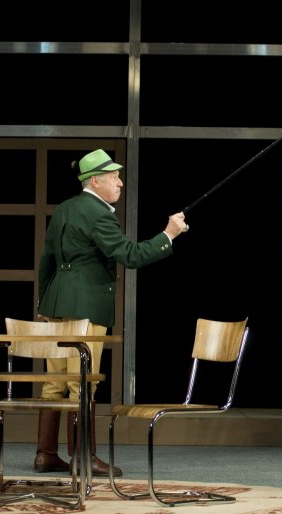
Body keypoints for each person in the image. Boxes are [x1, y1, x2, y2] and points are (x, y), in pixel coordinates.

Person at [34, 148, 189, 477]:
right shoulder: (98, 214)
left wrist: (44, 304)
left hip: (57, 305)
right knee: (82, 384)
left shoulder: (65, 208)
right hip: (85, 309)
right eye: (114, 177)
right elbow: (130, 255)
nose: (120, 183)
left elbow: (47, 259)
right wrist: (168, 235)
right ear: (95, 181)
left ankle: (45, 455)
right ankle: (83, 458)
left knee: (54, 383)